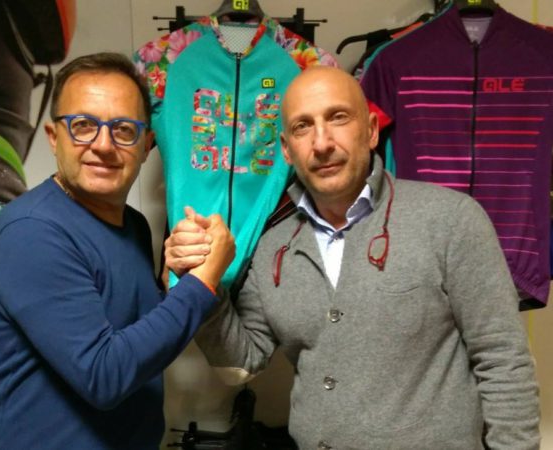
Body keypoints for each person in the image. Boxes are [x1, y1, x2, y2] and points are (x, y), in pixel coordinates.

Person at [165, 66, 540, 449]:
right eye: (302, 127)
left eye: (338, 117)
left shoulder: (450, 220)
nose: (322, 142)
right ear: (286, 150)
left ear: (372, 131)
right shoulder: (274, 247)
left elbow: (503, 361)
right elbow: (240, 365)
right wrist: (201, 280)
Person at [0, 52, 234, 450]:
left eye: (124, 130)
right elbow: (103, 375)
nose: (103, 145)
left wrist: (172, 281)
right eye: (83, 126)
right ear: (54, 137)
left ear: (147, 145)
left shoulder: (134, 225)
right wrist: (201, 283)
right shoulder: (31, 231)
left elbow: (129, 333)